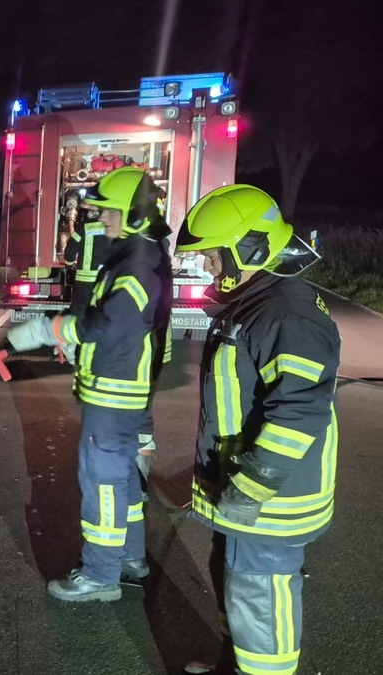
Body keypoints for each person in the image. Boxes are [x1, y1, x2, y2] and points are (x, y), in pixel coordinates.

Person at [174, 185, 338, 675]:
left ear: (249, 248)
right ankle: (238, 664)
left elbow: (300, 408)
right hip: (243, 486)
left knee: (261, 594)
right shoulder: (256, 303)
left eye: (212, 255)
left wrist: (253, 484)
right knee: (236, 582)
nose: (206, 265)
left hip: (270, 497)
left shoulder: (285, 313)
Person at [6, 166, 173, 601]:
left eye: (112, 212)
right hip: (124, 384)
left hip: (115, 388)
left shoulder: (136, 264)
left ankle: (100, 576)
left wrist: (52, 330)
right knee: (123, 478)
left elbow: (112, 325)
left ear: (135, 213)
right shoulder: (142, 254)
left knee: (102, 479)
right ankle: (132, 557)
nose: (104, 220)